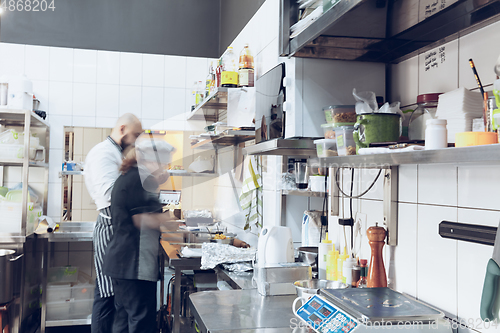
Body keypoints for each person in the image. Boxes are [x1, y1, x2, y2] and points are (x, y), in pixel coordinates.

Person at [103, 135, 179, 333]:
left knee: (123, 320)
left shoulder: (132, 175)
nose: (164, 168)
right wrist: (169, 220)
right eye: (163, 163)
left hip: (123, 263)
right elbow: (141, 219)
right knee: (141, 321)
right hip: (134, 265)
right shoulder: (140, 179)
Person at [84, 113, 143, 333]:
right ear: (122, 129)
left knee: (113, 294)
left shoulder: (115, 153)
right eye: (135, 134)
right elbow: (111, 198)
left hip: (118, 232)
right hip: (110, 231)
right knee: (107, 296)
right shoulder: (103, 153)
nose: (136, 140)